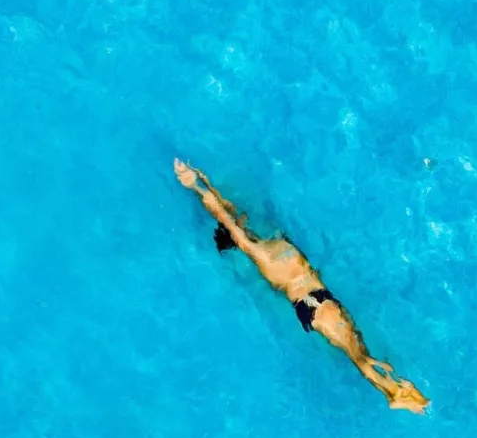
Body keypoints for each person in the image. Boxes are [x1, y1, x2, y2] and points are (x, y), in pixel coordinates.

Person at [172, 158, 429, 414]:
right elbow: (224, 217)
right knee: (358, 355)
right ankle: (394, 396)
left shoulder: (260, 240)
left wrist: (203, 178)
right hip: (314, 302)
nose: (242, 218)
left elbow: (229, 211)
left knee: (358, 348)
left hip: (315, 301)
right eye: (238, 226)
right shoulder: (258, 252)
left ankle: (395, 392)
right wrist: (193, 184)